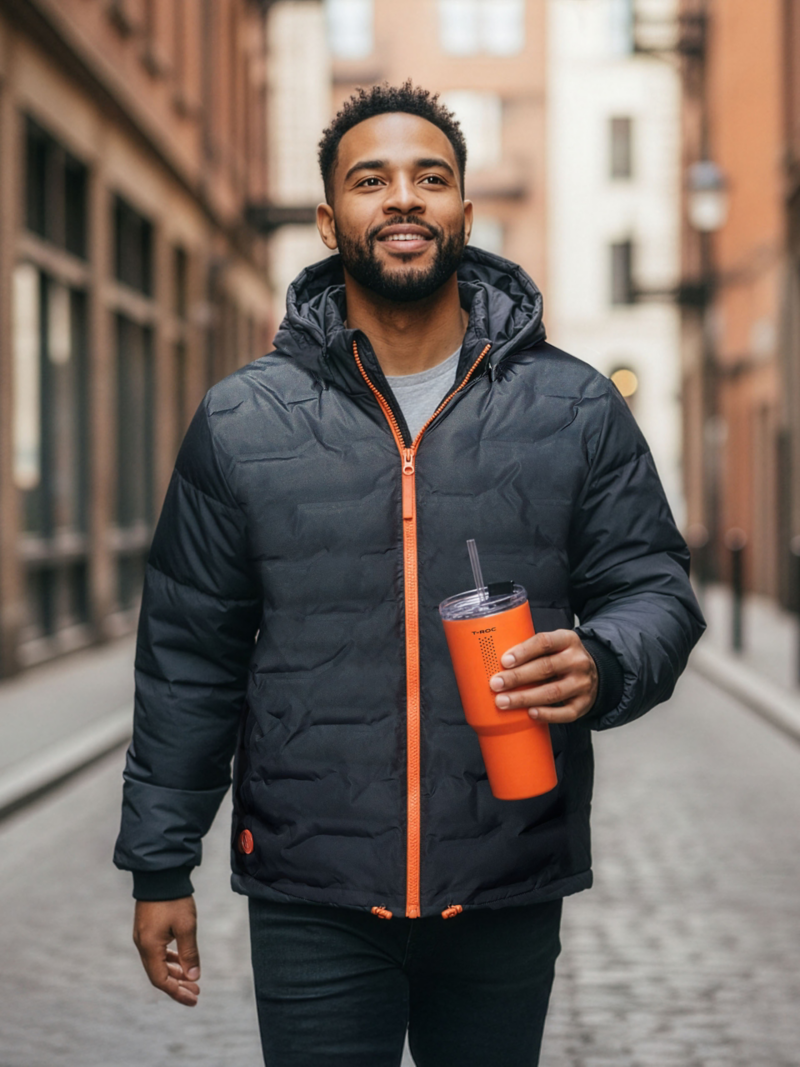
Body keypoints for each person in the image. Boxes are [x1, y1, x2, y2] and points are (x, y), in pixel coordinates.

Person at [114, 82, 704, 1067]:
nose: (401, 198)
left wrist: (603, 660)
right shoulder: (240, 421)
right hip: (312, 885)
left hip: (506, 871)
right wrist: (158, 863)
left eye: (429, 178)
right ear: (326, 217)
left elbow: (654, 584)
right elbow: (188, 655)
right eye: (369, 179)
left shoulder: (573, 406)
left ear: (463, 215)